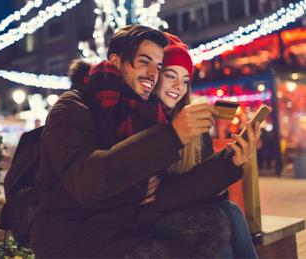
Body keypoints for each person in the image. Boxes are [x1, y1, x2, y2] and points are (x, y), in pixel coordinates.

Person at [30, 25, 260, 258]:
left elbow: (161, 193)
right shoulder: (72, 107)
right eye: (144, 62)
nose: (153, 73)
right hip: (75, 240)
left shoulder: (142, 111)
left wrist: (228, 164)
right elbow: (87, 181)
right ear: (116, 61)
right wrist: (171, 137)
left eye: (159, 66)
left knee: (215, 222)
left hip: (121, 226)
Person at [151, 32, 258, 258]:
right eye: (171, 75)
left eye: (186, 80)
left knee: (231, 211)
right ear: (156, 76)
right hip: (161, 216)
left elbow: (205, 182)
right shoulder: (148, 121)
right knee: (220, 228)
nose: (178, 86)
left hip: (193, 206)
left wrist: (229, 167)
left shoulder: (195, 123)